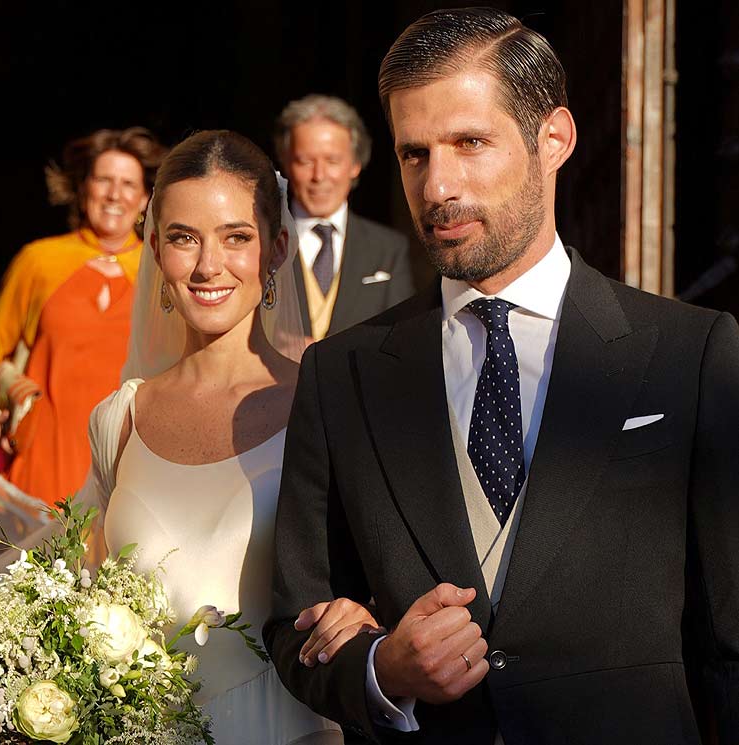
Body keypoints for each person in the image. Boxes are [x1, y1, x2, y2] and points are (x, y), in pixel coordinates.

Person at [264, 7, 739, 745]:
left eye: (469, 143)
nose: (436, 186)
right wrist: (381, 670)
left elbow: (729, 639)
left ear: (553, 139)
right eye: (414, 153)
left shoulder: (690, 351)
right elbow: (295, 619)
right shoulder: (341, 372)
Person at [70, 129, 377, 744]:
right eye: (184, 238)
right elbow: (84, 596)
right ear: (155, 249)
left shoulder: (328, 407)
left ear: (277, 249)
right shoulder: (118, 419)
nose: (208, 266)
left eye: (236, 237)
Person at [0, 127, 166, 506]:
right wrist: (10, 388)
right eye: (103, 179)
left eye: (128, 184)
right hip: (43, 457)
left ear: (144, 199)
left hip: (128, 463)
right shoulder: (38, 261)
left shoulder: (162, 271)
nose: (114, 194)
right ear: (83, 187)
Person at [274, 94, 415, 340]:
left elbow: (403, 337)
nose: (319, 175)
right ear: (286, 164)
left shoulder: (388, 249)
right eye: (305, 161)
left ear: (355, 165)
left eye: (332, 161)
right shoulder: (263, 244)